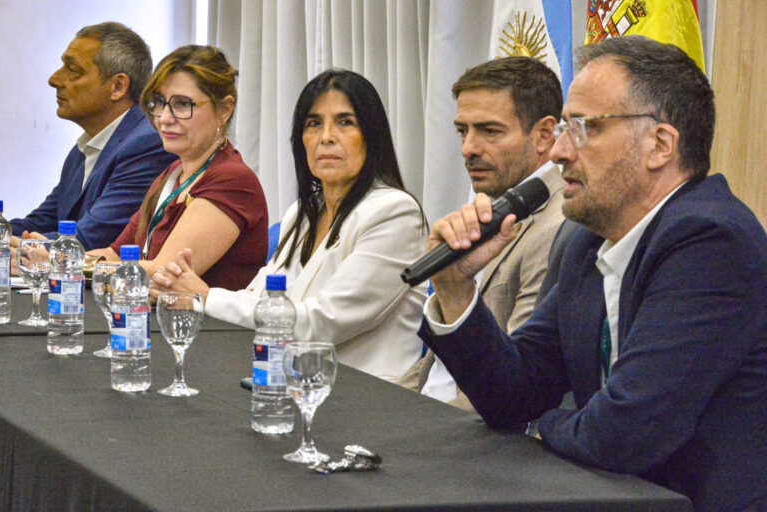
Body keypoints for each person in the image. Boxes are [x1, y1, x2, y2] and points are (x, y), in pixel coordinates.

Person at [419, 36, 767, 511]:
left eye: (582, 128)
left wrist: (543, 426)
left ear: (660, 145)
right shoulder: (588, 241)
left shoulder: (710, 241)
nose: (559, 151)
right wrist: (455, 287)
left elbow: (627, 432)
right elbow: (513, 394)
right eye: (563, 127)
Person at [152, 69, 429, 382]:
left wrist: (204, 297)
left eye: (345, 122)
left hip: (366, 398)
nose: (326, 137)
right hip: (288, 382)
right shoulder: (304, 212)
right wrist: (184, 287)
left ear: (372, 136)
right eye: (313, 124)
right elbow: (258, 297)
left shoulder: (395, 213)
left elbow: (322, 323)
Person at [399, 57, 567, 412]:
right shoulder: (492, 202)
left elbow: (517, 385)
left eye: (490, 131)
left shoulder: (560, 226)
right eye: (463, 131)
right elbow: (435, 369)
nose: (468, 148)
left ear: (544, 135)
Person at [87, 45, 268, 291]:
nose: (164, 118)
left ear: (224, 110)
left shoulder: (232, 180)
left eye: (182, 104)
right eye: (159, 103)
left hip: (207, 329)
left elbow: (164, 272)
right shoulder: (172, 174)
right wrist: (54, 258)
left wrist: (75, 267)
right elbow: (115, 254)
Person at [10, 22, 174, 253]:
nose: (54, 80)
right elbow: (39, 222)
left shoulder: (147, 143)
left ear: (117, 86)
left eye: (72, 69)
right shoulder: (83, 148)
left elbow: (91, 238)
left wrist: (21, 245)